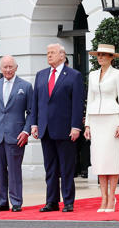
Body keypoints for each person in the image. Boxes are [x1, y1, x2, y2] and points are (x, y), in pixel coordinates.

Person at [30, 43, 84, 213]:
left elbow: (77, 104)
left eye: (52, 52)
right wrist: (34, 124)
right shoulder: (41, 75)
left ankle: (68, 201)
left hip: (65, 129)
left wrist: (76, 126)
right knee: (50, 168)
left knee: (66, 168)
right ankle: (51, 201)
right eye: (47, 53)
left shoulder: (74, 76)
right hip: (45, 129)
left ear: (62, 55)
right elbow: (35, 102)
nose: (49, 55)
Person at [0, 55, 34, 212]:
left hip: (16, 135)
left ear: (16, 68)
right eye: (5, 67)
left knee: (14, 171)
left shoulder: (26, 86)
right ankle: (1, 202)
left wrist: (26, 131)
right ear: (0, 68)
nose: (8, 70)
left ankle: (16, 202)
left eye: (10, 67)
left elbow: (32, 112)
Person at [84, 43, 119, 213]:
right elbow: (90, 99)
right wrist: (87, 124)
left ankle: (112, 197)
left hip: (112, 119)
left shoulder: (118, 74)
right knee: (99, 160)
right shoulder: (93, 75)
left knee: (111, 159)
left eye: (103, 55)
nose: (100, 57)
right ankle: (103, 197)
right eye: (98, 55)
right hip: (96, 120)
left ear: (111, 58)